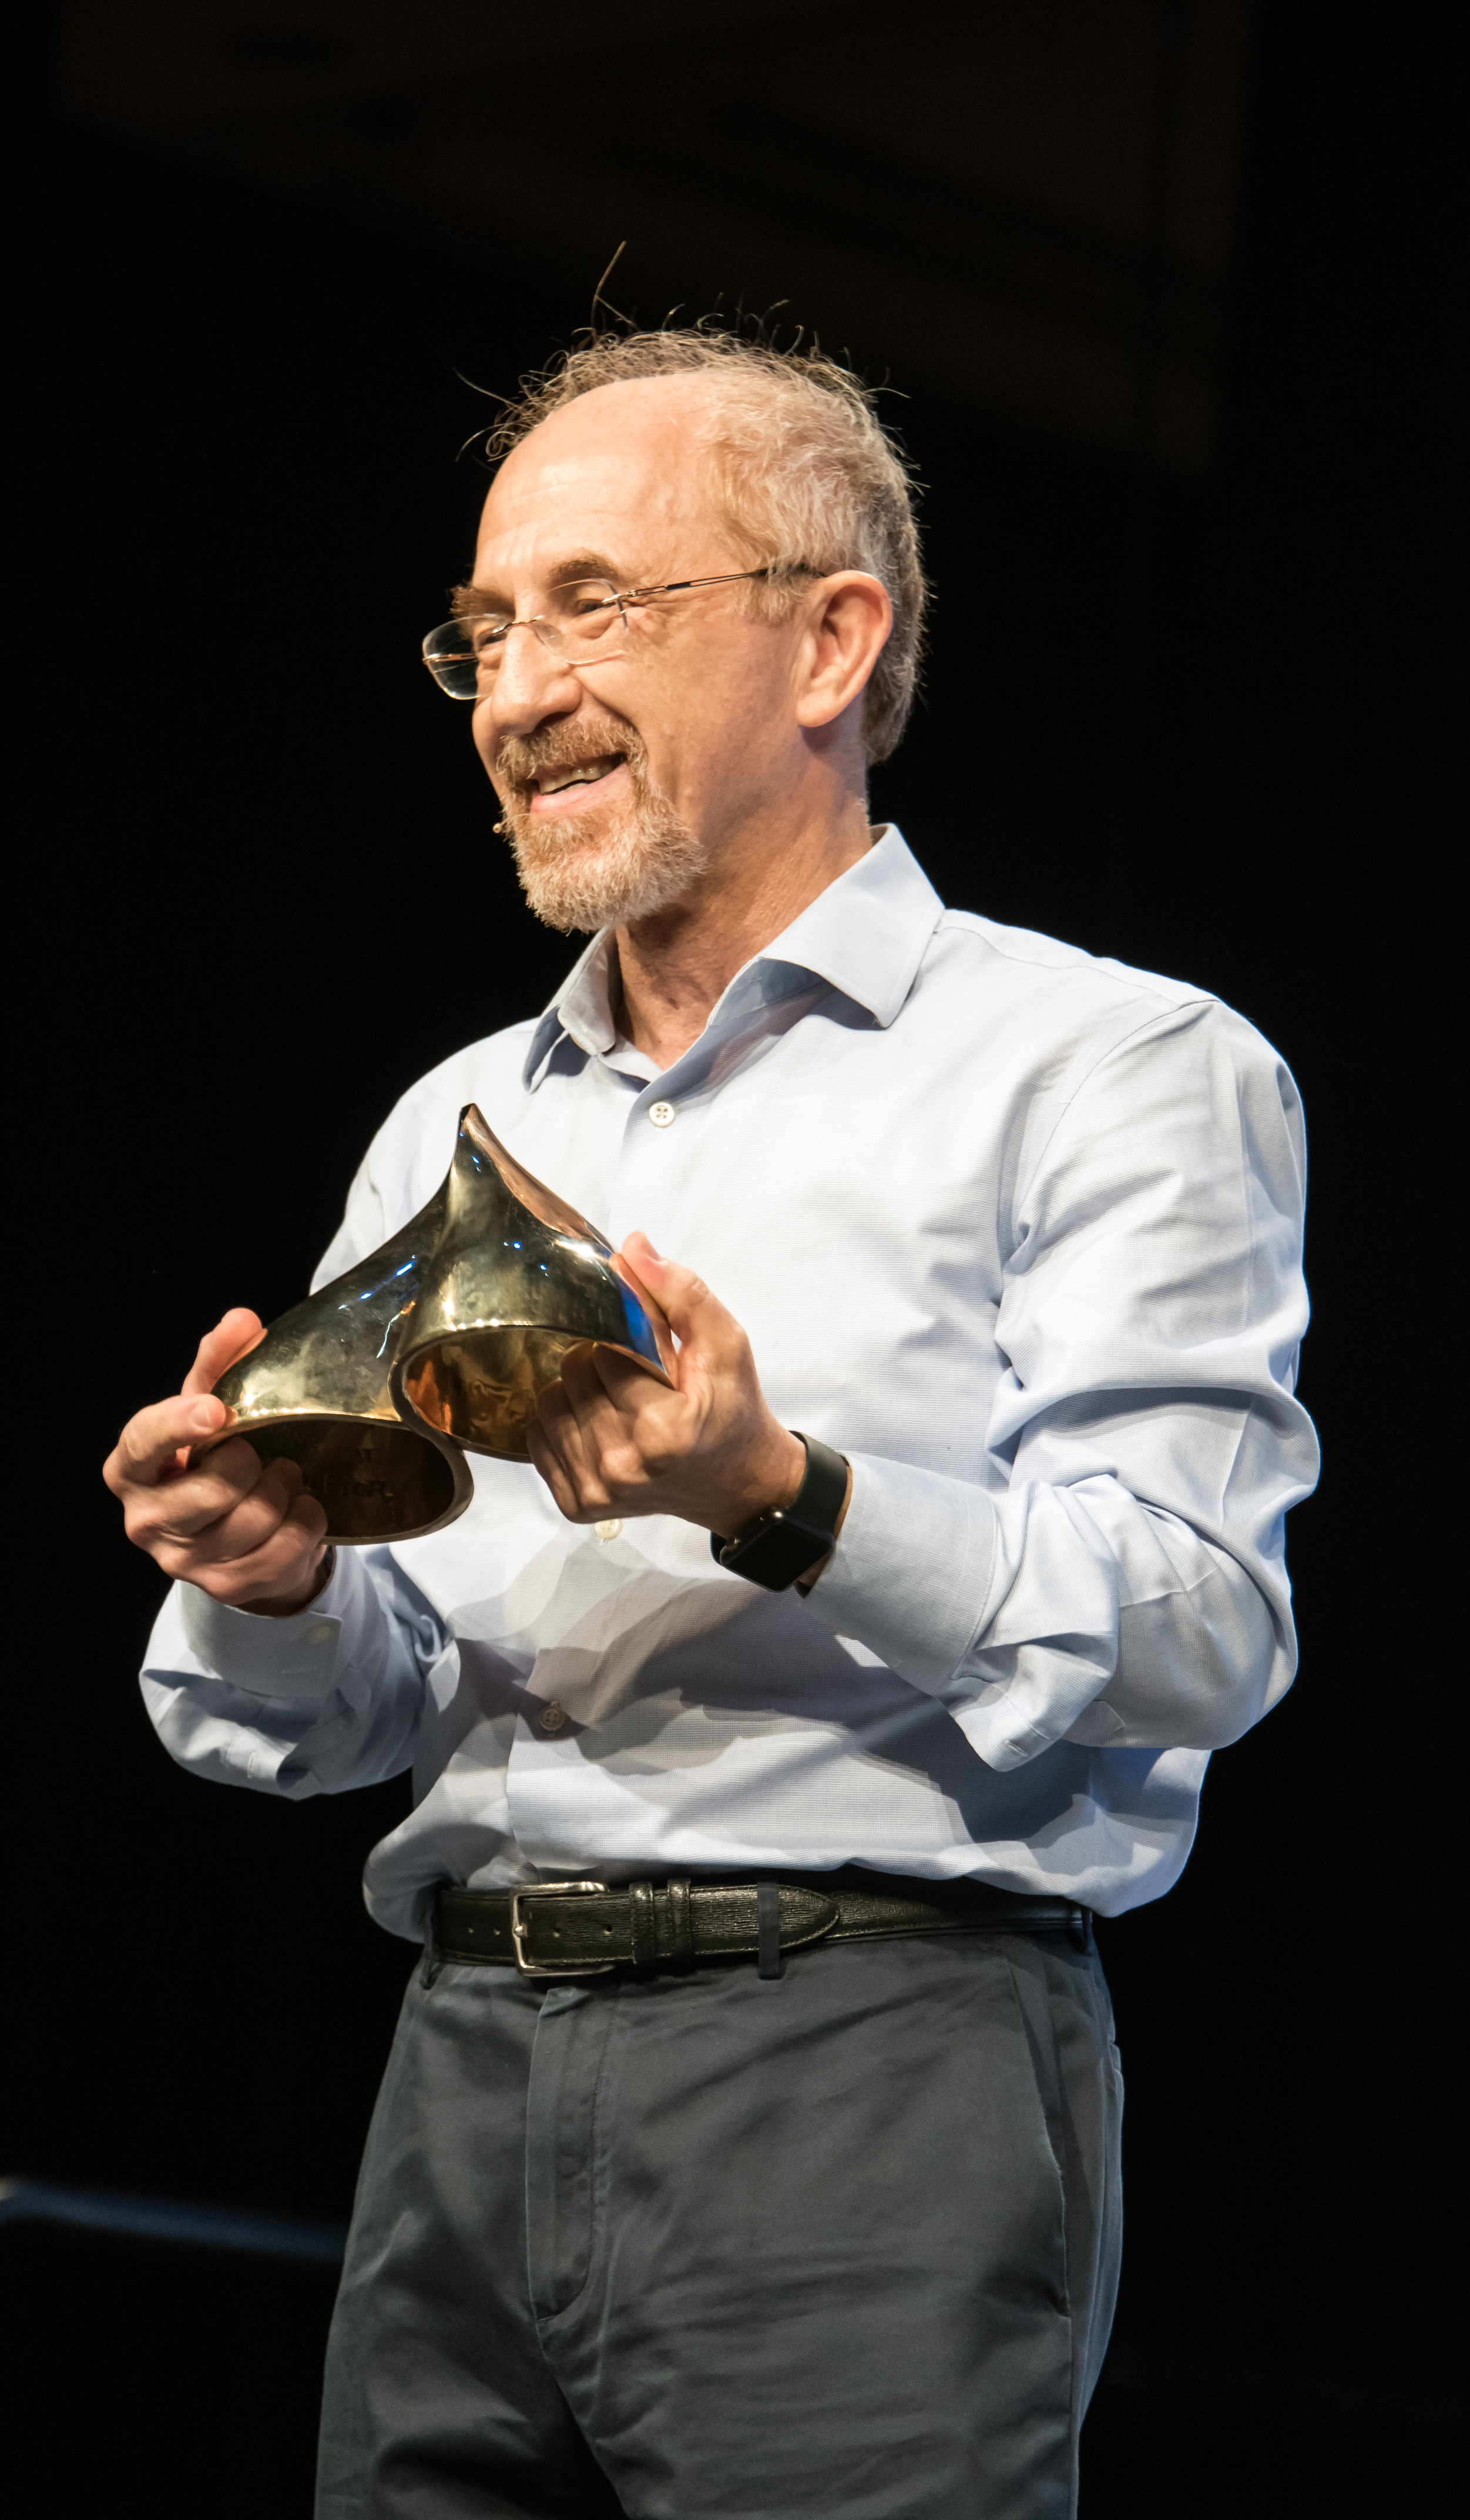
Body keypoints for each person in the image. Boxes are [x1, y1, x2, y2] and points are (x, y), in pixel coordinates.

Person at [104, 329, 1317, 2519]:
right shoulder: (449, 1122)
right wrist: (283, 1580)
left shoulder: (1105, 1065)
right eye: (485, 630)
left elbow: (1203, 1631)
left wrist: (785, 1499)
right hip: (462, 2074)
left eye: (598, 605)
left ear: (832, 640)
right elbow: (384, 1699)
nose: (515, 690)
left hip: (866, 2062)